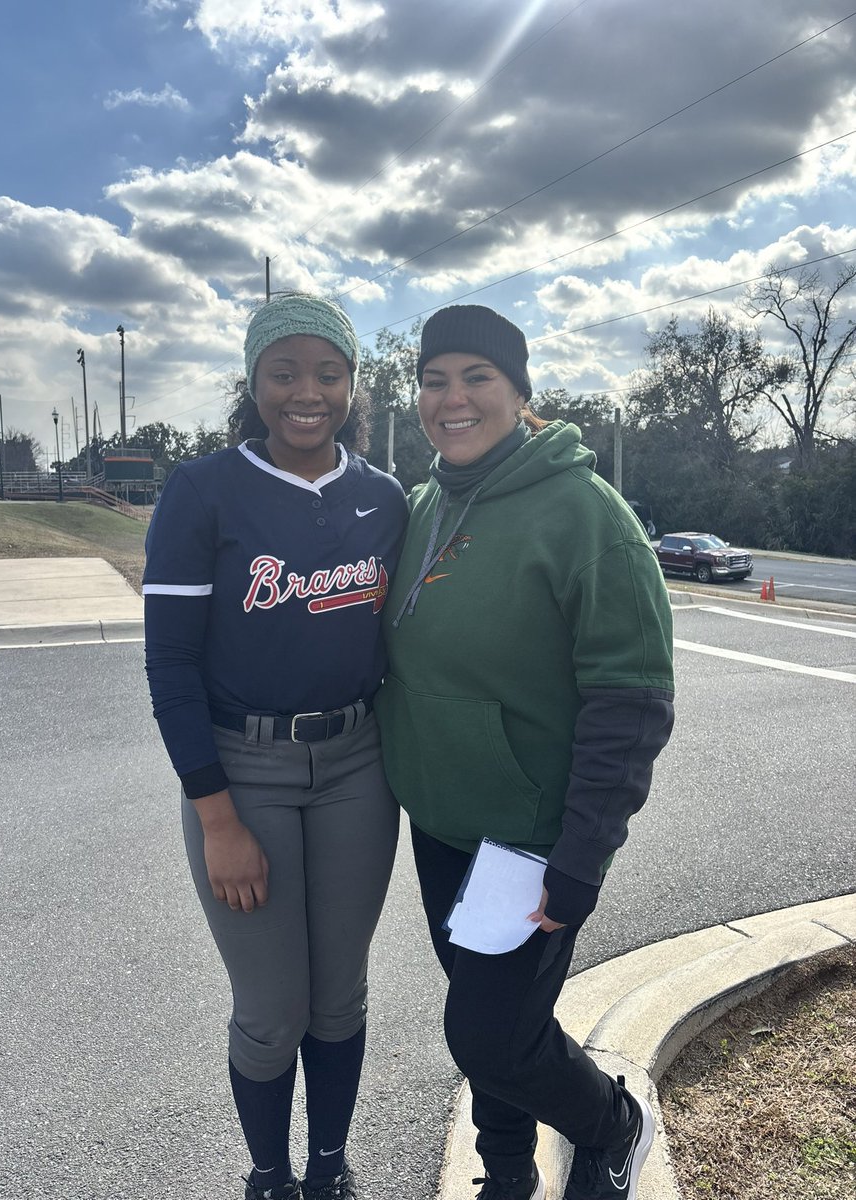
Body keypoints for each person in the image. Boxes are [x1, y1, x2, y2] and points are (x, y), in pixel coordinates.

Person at [375, 305, 675, 1200]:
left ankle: (613, 1124)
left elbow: (632, 704)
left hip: (530, 840)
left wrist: (581, 855)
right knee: (497, 1027)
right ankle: (505, 1172)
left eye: (477, 379)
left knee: (489, 1034)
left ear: (519, 393)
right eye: (435, 380)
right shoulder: (425, 505)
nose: (452, 399)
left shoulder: (586, 515)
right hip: (443, 825)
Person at [143, 293, 408, 1200]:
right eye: (284, 371)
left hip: (356, 768)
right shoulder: (203, 489)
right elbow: (170, 668)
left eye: (328, 373)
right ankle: (271, 1177)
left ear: (352, 385)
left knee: (340, 998)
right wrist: (215, 815)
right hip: (241, 771)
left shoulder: (382, 497)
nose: (308, 392)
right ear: (253, 382)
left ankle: (330, 1171)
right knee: (271, 1010)